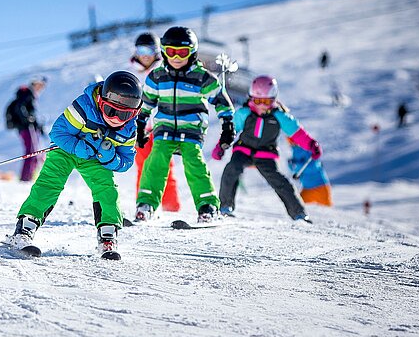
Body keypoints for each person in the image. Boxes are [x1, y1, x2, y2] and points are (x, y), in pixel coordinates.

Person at [5, 71, 142, 260]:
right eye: (111, 111)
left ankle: (108, 236)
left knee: (107, 189)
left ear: (134, 112)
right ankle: (24, 229)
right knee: (49, 183)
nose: (116, 119)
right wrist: (79, 147)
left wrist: (109, 157)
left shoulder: (129, 129)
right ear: (101, 101)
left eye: (125, 114)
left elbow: (126, 162)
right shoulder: (84, 107)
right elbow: (58, 133)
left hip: (95, 157)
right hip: (66, 149)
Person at [135, 26, 235, 223]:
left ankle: (207, 206)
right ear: (164, 52)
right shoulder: (157, 77)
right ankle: (146, 204)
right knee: (155, 163)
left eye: (182, 52)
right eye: (171, 52)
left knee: (194, 164)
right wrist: (140, 126)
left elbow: (221, 100)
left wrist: (227, 125)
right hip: (163, 130)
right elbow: (146, 103)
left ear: (192, 52)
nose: (176, 57)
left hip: (191, 130)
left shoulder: (201, 77)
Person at [214, 75, 321, 223]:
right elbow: (230, 131)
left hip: (266, 154)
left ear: (274, 99)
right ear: (251, 98)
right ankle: (225, 207)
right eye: (257, 101)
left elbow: (297, 133)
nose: (261, 105)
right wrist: (221, 146)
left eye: (266, 101)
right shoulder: (244, 113)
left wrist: (311, 145)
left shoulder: (280, 116)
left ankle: (299, 214)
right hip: (243, 150)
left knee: (279, 180)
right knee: (231, 169)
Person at [129, 32, 180, 212]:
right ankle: (143, 206)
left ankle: (170, 207)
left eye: (149, 49)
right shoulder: (132, 75)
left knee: (164, 166)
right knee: (143, 166)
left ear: (157, 51)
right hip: (140, 129)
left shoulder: (164, 71)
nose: (145, 54)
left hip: (161, 127)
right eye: (140, 49)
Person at [5, 76, 48, 181]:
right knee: (32, 153)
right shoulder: (27, 93)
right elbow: (21, 108)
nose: (41, 88)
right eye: (40, 85)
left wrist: (37, 125)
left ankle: (30, 177)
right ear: (34, 84)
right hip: (27, 128)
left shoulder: (29, 95)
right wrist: (27, 120)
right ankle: (25, 178)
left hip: (28, 127)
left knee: (35, 153)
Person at [287, 138, 332, 206]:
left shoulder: (306, 148)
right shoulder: (295, 151)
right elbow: (295, 168)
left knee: (327, 210)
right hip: (307, 188)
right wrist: (293, 167)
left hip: (320, 187)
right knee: (298, 206)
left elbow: (313, 166)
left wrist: (296, 166)